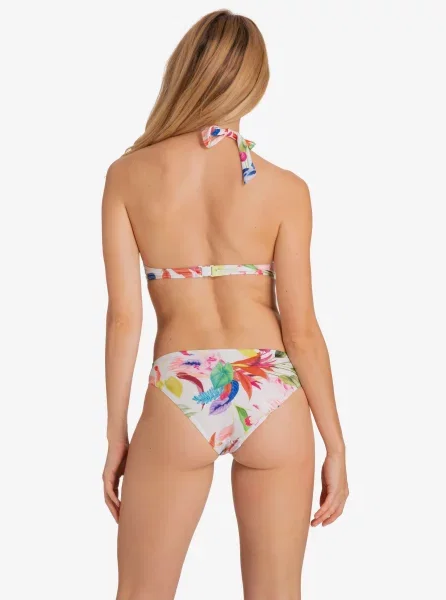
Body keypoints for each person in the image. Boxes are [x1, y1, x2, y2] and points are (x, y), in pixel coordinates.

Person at [102, 9, 349, 600]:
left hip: (181, 386)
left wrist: (116, 435)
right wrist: (335, 442)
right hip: (273, 390)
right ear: (256, 83)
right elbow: (303, 329)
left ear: (183, 72)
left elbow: (125, 318)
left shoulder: (127, 175)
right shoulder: (285, 188)